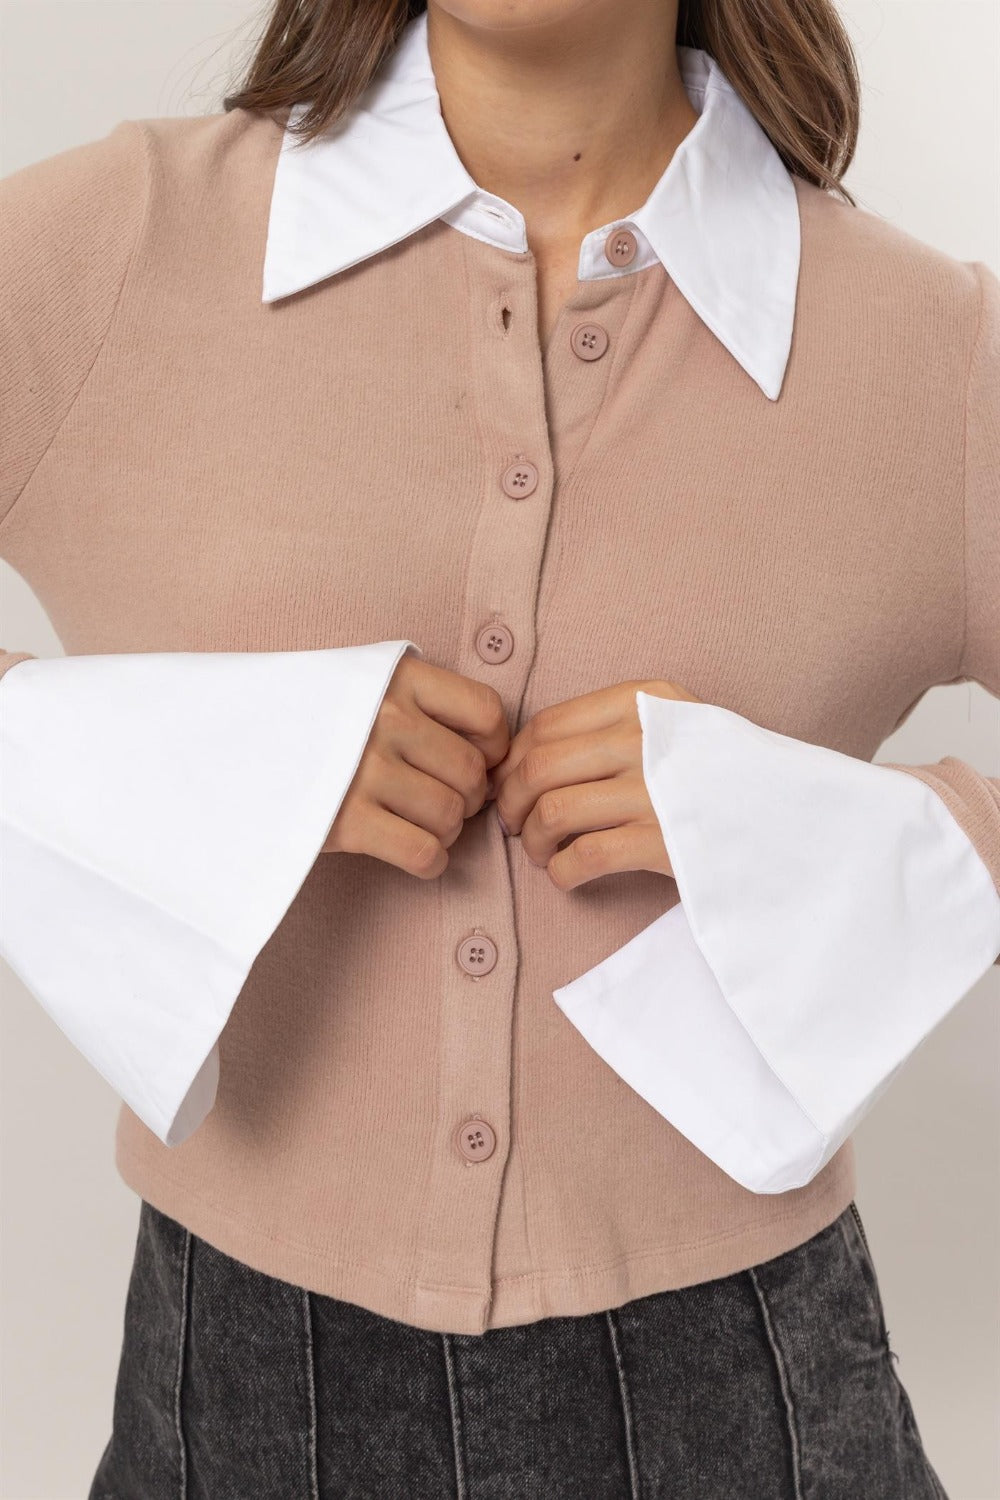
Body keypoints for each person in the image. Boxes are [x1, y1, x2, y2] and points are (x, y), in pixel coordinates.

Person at [0, 0, 995, 1493]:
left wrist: (819, 840)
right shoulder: (109, 248)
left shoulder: (933, 356)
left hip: (749, 1391)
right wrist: (224, 765)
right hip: (237, 1389)